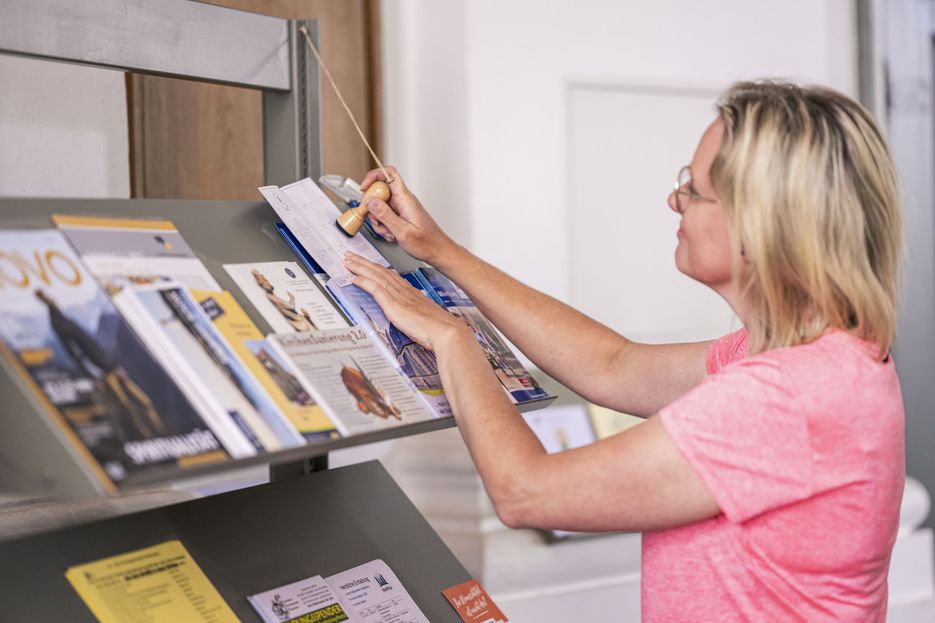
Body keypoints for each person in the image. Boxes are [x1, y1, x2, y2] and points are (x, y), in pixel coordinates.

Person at [342, 81, 904, 621]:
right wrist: (443, 252)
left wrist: (452, 338)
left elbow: (524, 491)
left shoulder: (784, 398)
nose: (672, 199)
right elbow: (614, 366)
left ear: (761, 228)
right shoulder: (820, 357)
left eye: (693, 189)